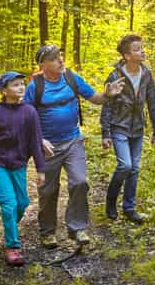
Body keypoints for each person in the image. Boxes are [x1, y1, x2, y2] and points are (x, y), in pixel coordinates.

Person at [24, 44, 125, 248]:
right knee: (48, 190)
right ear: (43, 64)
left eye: (60, 56)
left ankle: (77, 228)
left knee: (79, 182)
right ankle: (48, 232)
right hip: (48, 146)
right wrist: (38, 140)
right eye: (54, 58)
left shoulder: (71, 77)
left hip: (73, 141)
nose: (60, 60)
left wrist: (108, 95)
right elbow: (26, 117)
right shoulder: (35, 86)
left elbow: (94, 98)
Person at [0, 71, 49, 267]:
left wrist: (41, 169)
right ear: (4, 90)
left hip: (19, 164)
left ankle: (9, 227)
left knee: (22, 203)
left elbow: (35, 142)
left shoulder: (30, 112)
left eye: (22, 83)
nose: (21, 87)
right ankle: (12, 246)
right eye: (15, 85)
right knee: (9, 204)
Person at [100, 34, 155, 224]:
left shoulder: (147, 74)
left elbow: (152, 102)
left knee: (134, 169)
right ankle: (111, 201)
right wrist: (105, 133)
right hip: (119, 126)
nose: (142, 51)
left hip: (138, 128)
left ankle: (129, 208)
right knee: (125, 165)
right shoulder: (116, 76)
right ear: (126, 55)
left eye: (142, 48)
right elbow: (107, 105)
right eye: (137, 49)